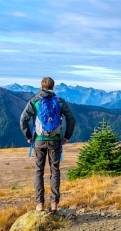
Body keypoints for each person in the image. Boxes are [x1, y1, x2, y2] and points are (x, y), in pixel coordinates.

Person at [20, 77, 76, 212]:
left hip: (39, 140)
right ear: (53, 87)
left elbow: (23, 120)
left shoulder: (35, 101)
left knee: (38, 171)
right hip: (55, 140)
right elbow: (71, 120)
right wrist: (67, 137)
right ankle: (54, 204)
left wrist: (29, 137)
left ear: (41, 86)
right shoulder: (60, 102)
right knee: (55, 170)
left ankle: (40, 204)